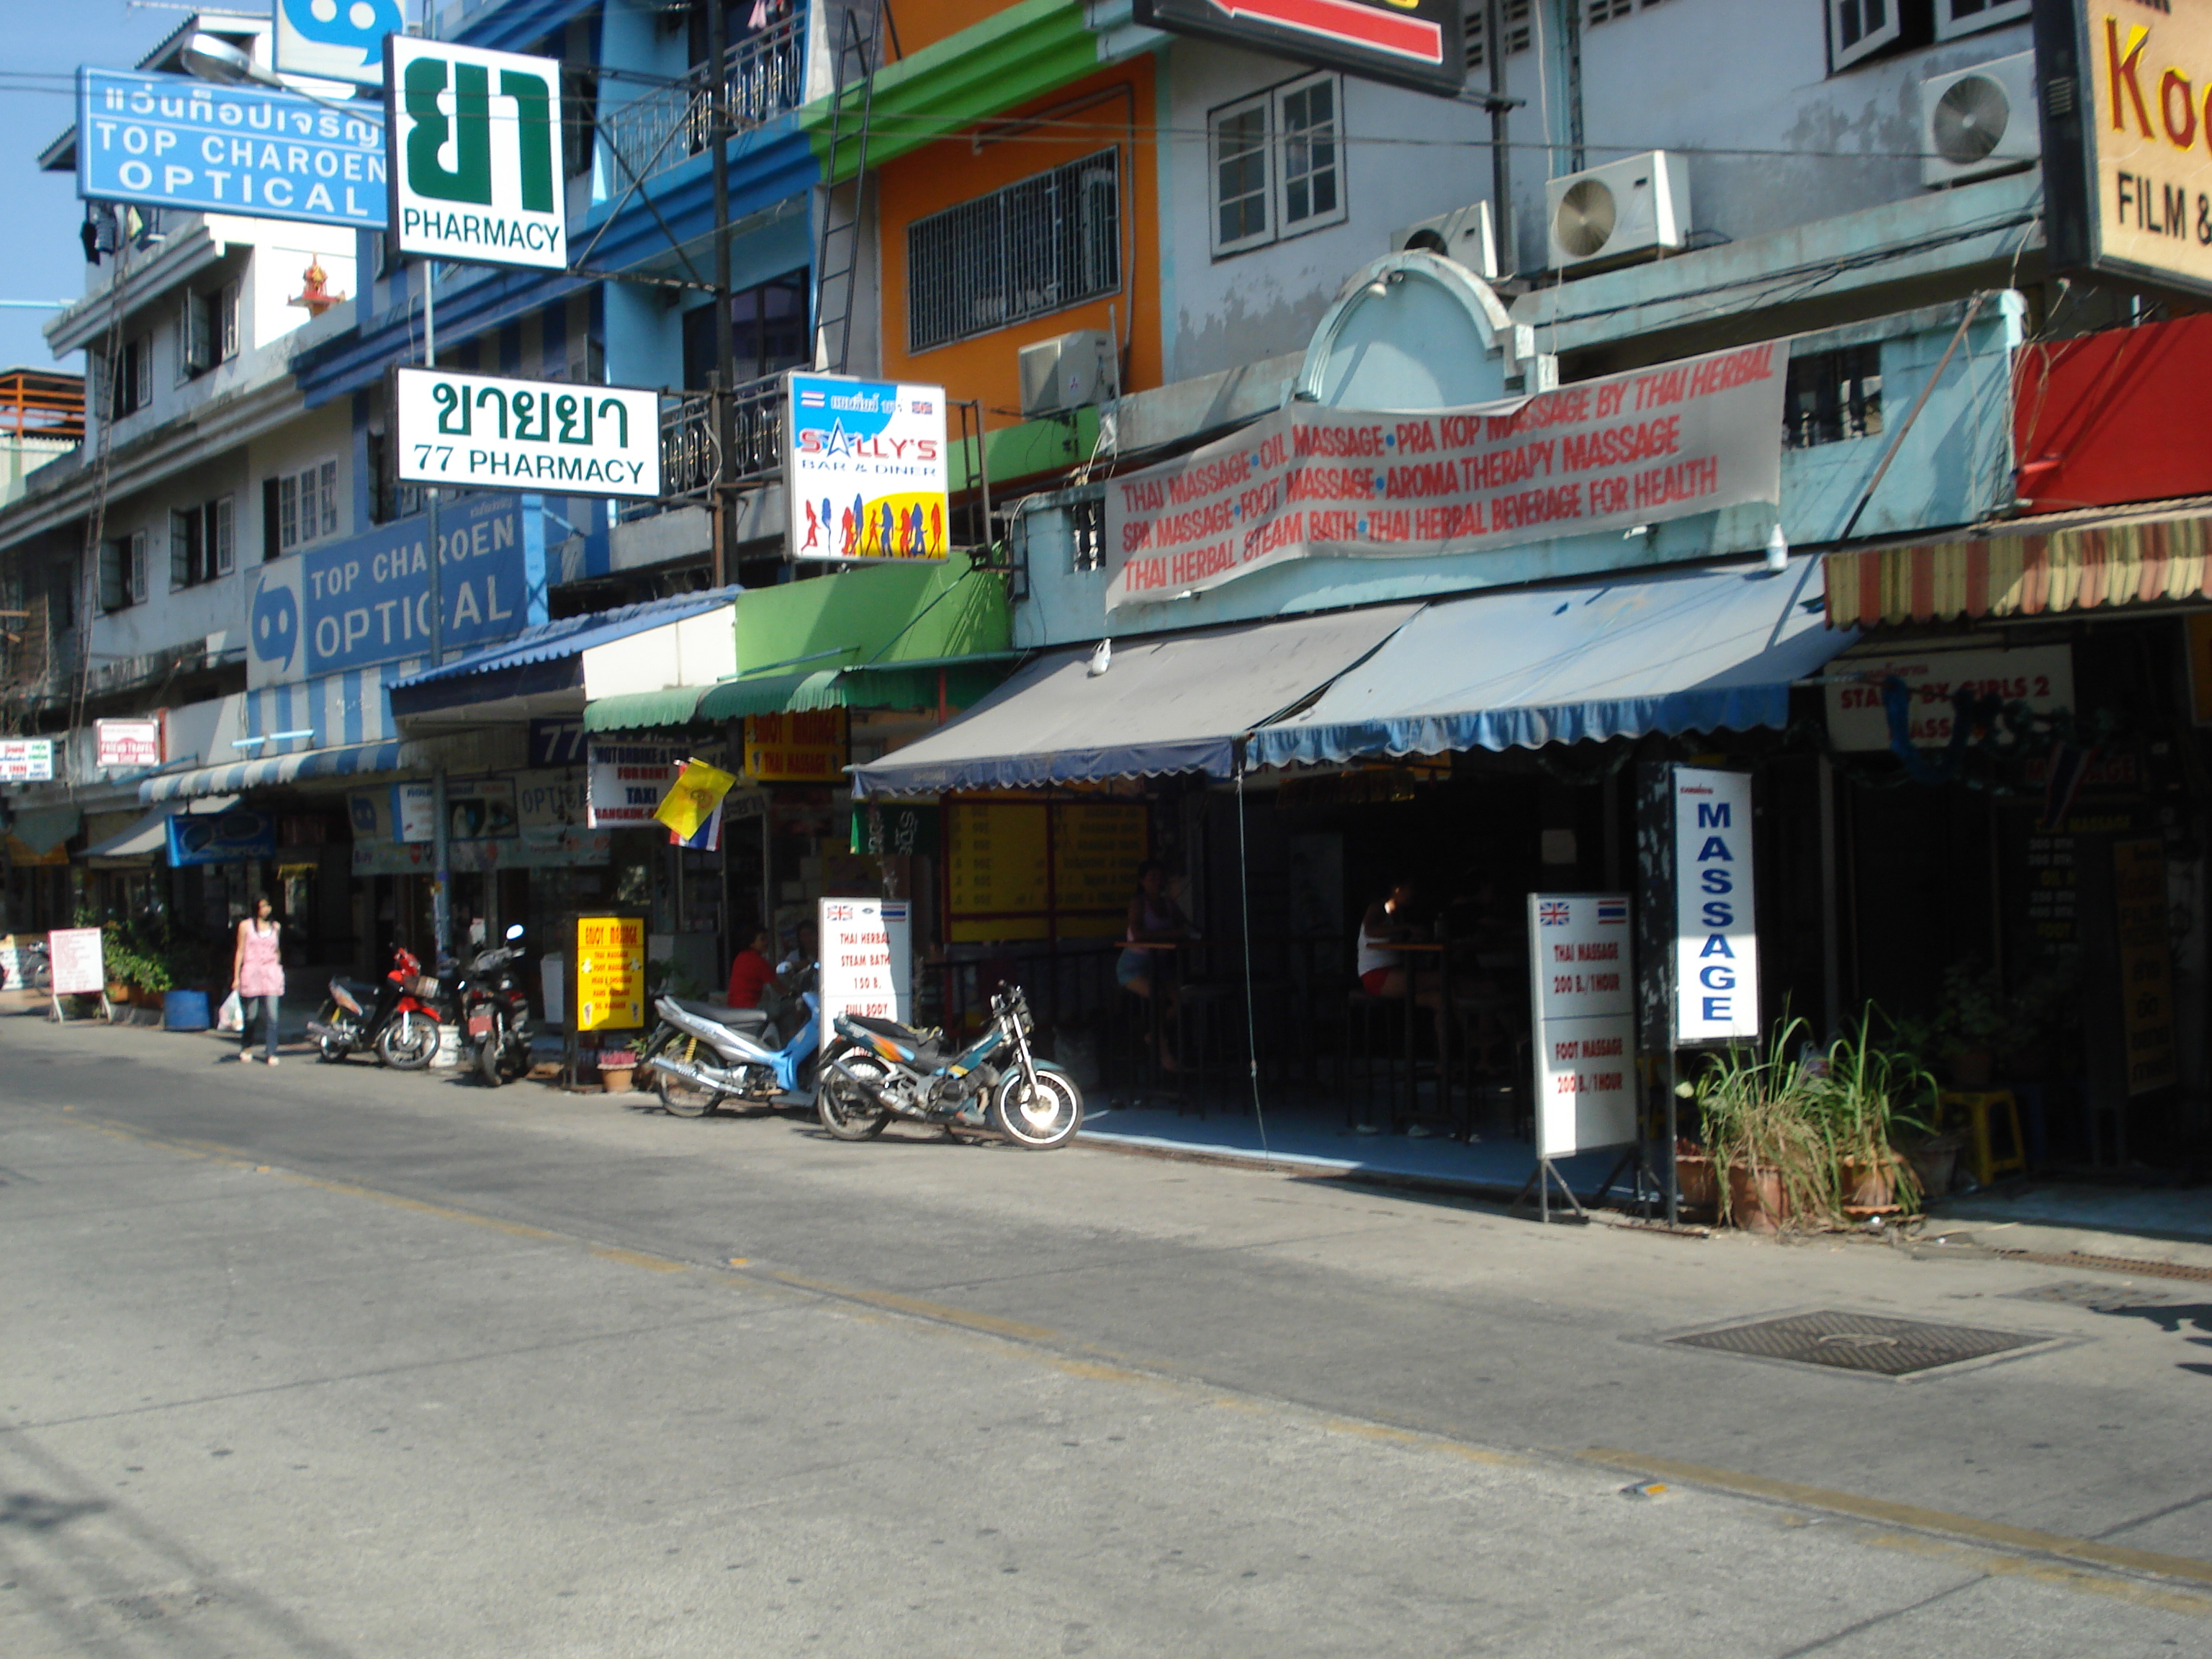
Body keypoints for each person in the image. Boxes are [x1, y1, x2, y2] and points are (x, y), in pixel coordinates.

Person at [1119, 862, 1193, 1069]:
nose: (1157, 882)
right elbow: (1138, 934)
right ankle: (1164, 1052)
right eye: (1152, 878)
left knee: (1182, 999)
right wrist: (1171, 935)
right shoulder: (1138, 903)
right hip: (1133, 967)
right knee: (1158, 996)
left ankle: (1153, 1032)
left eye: (1161, 878)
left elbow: (1185, 925)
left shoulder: (1169, 904)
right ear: (1142, 881)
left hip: (1159, 966)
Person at [232, 894, 285, 1065]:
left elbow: (277, 950)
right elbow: (240, 951)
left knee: (273, 1016)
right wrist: (236, 977)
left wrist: (278, 964)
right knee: (251, 1015)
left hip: (271, 973)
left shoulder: (276, 927)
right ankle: (247, 1046)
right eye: (262, 906)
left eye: (268, 906)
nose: (266, 910)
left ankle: (271, 1051)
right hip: (252, 972)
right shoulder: (246, 926)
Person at [726, 927, 777, 1009]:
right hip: (749, 1006)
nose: (767, 942)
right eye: (762, 939)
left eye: (767, 939)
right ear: (751, 943)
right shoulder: (758, 961)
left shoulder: (740, 957)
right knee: (780, 1009)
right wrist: (792, 994)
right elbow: (778, 987)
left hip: (733, 1006)